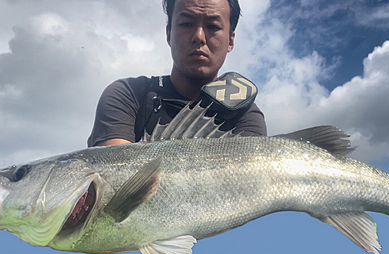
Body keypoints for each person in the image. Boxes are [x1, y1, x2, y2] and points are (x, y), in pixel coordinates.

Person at [87, 0, 267, 147]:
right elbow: (114, 179)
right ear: (168, 34)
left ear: (230, 40)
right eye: (186, 24)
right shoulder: (128, 94)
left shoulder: (245, 114)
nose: (199, 36)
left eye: (212, 26)